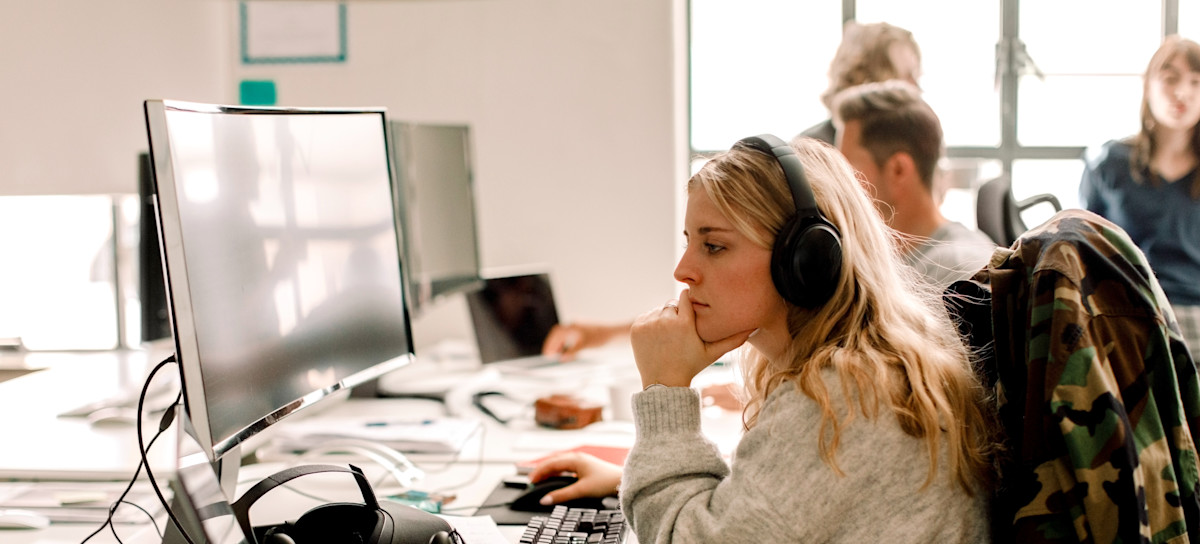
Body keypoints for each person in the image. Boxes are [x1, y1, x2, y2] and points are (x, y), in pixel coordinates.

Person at [529, 136, 997, 542]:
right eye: (690, 240)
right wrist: (629, 481)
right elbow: (773, 510)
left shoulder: (846, 394)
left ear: (807, 261)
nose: (683, 270)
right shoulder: (863, 368)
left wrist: (666, 389)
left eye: (714, 246)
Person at [1079, 35, 1200, 363]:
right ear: (1148, 87)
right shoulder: (1110, 162)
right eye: (1170, 78)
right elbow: (1083, 246)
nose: (1182, 93)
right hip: (1128, 308)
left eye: (1196, 81)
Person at [832, 79, 997, 289]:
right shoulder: (903, 262)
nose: (839, 183)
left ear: (898, 170)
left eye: (847, 168)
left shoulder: (956, 274)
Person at [797, 21, 922, 146]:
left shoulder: (913, 144)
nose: (916, 88)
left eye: (916, 76)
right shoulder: (814, 151)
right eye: (907, 76)